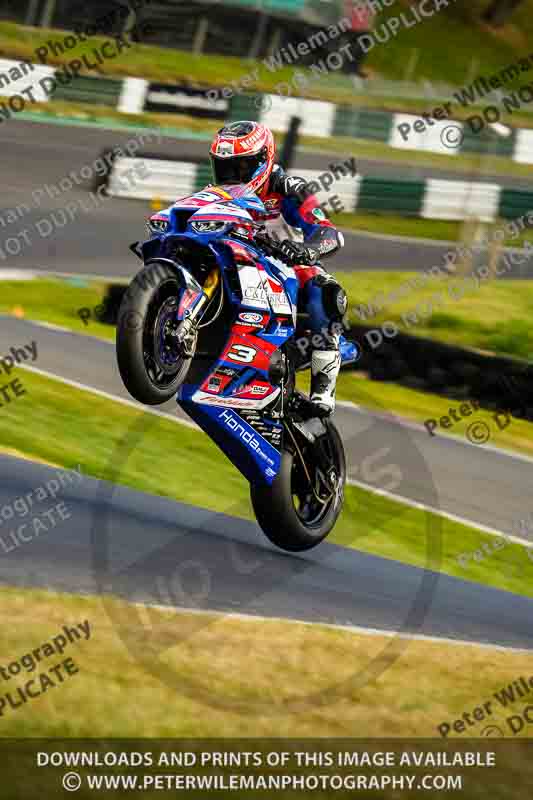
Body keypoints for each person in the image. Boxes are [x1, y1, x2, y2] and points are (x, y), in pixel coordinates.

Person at [205, 120, 353, 416]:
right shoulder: (215, 194)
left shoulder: (287, 189)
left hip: (285, 271)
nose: (232, 176)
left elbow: (329, 233)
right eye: (225, 168)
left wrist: (306, 250)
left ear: (263, 160)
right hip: (236, 266)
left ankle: (323, 389)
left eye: (241, 168)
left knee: (325, 292)